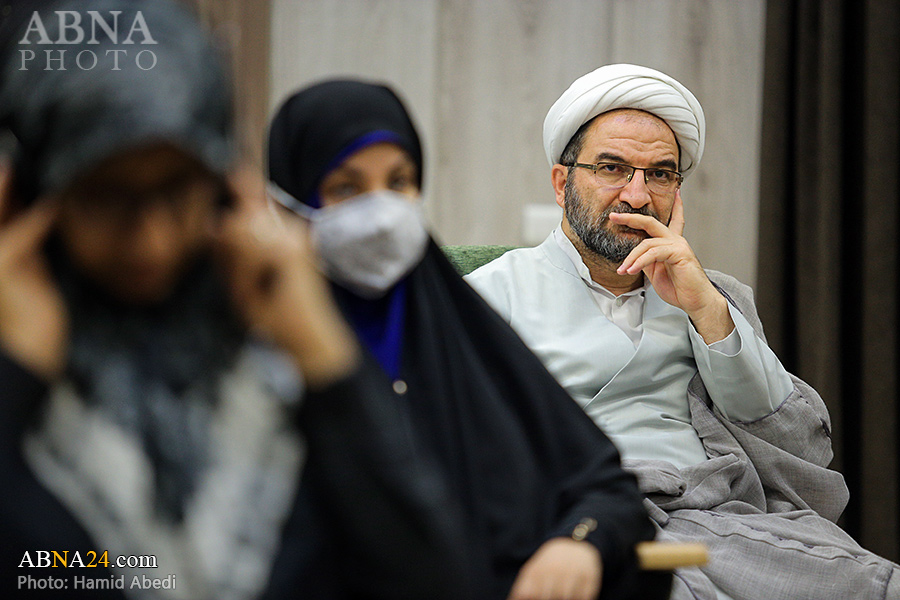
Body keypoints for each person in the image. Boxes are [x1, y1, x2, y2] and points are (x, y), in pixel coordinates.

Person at [0, 1, 477, 599]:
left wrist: (323, 352)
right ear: (32, 196)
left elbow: (430, 577)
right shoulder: (20, 366)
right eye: (106, 196)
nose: (152, 240)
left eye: (179, 189)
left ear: (226, 182)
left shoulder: (272, 360)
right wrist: (15, 376)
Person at [465, 63, 900, 600]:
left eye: (661, 174)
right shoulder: (489, 296)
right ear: (562, 183)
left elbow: (793, 445)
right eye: (612, 168)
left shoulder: (715, 295)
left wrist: (704, 308)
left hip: (722, 518)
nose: (637, 196)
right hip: (578, 524)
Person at [266, 79, 662, 600]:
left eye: (399, 181)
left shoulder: (456, 327)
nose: (380, 212)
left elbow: (603, 487)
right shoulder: (252, 354)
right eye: (346, 188)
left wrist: (578, 542)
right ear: (291, 203)